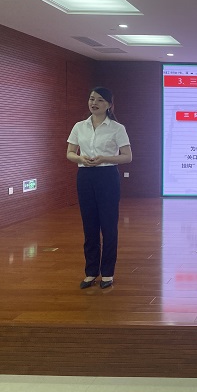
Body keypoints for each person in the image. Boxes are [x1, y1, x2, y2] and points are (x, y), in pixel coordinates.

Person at [66, 87, 132, 289]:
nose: (94, 103)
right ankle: (91, 272)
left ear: (109, 105)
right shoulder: (79, 126)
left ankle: (108, 273)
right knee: (89, 226)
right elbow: (70, 152)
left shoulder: (117, 128)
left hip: (107, 176)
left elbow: (127, 156)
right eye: (92, 98)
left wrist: (104, 158)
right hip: (85, 176)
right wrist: (80, 158)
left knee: (108, 226)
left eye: (100, 100)